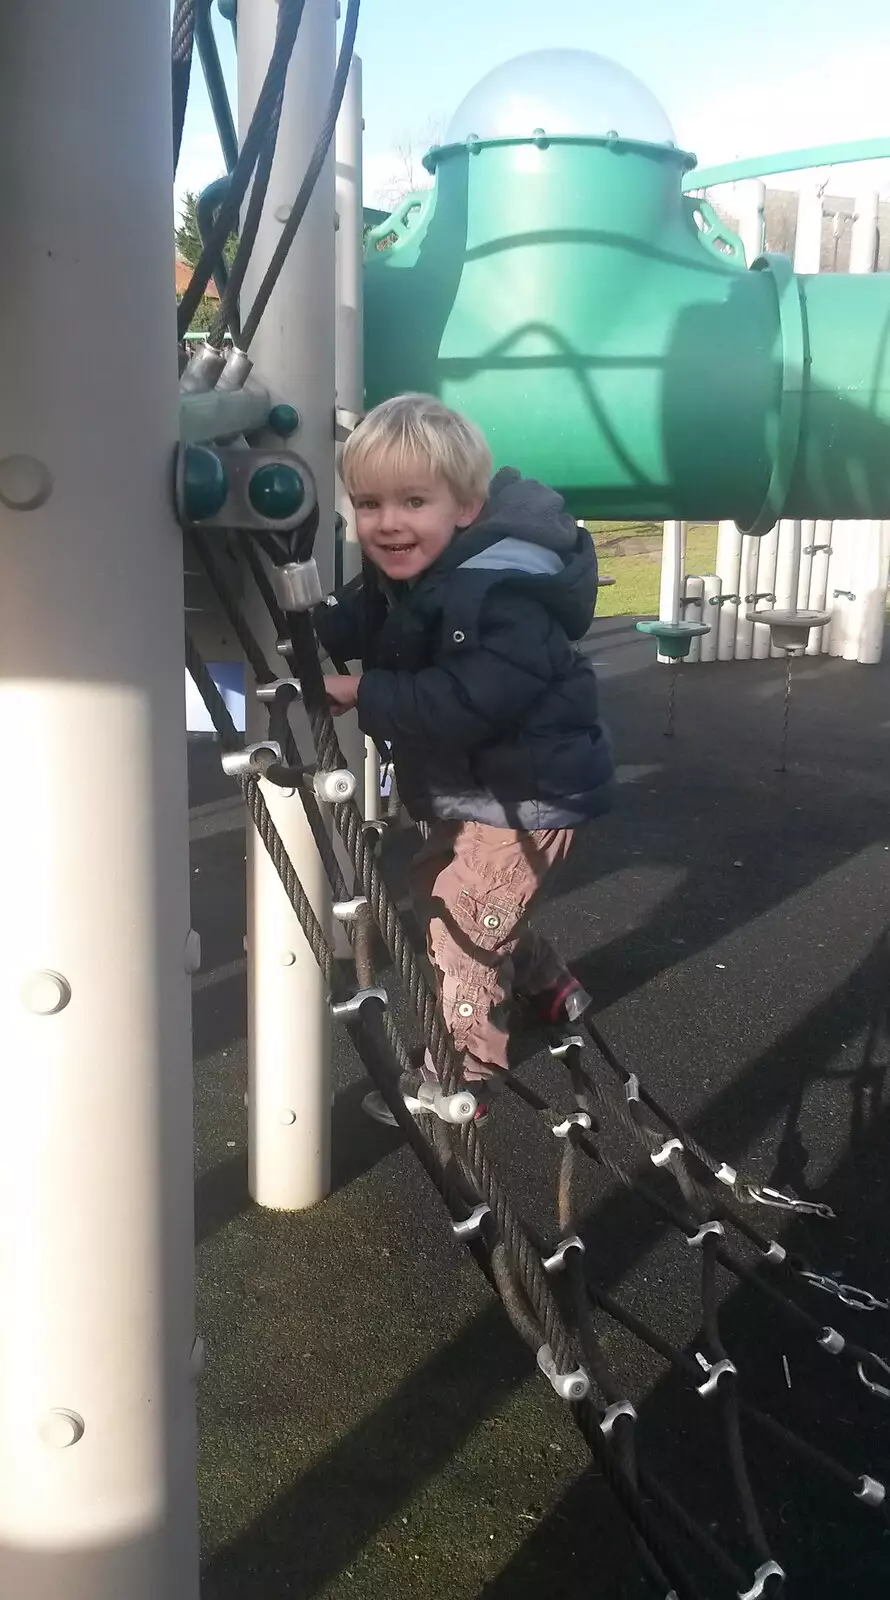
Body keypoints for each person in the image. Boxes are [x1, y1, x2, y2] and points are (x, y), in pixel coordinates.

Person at [314, 393, 613, 1123]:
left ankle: (463, 1076)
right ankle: (549, 985)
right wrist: (306, 625)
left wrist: (363, 690)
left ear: (468, 506)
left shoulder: (500, 596)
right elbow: (358, 615)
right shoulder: (412, 572)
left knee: (461, 928)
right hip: (480, 790)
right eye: (369, 502)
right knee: (443, 893)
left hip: (526, 798)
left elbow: (466, 701)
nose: (388, 522)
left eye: (414, 501)